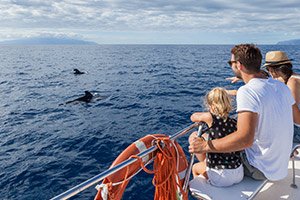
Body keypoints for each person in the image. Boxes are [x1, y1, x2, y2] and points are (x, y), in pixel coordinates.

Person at [189, 44, 295, 181]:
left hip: (260, 169)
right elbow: (296, 118)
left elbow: (245, 140)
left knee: (195, 137)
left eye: (230, 63)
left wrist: (205, 146)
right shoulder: (281, 86)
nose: (230, 65)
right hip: (280, 165)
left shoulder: (247, 91)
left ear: (239, 65)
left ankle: (210, 170)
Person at [189, 87, 243, 187]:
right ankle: (206, 163)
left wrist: (208, 114)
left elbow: (193, 116)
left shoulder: (210, 118)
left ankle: (203, 191)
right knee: (207, 137)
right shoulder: (235, 122)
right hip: (238, 172)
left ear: (211, 106)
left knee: (195, 168)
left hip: (221, 177)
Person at [263, 51, 300, 142]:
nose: (269, 72)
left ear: (274, 70)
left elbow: (292, 109)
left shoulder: (292, 81)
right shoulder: (289, 78)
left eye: (268, 69)